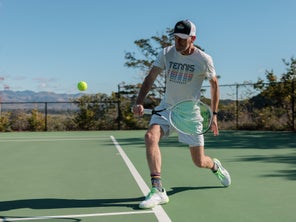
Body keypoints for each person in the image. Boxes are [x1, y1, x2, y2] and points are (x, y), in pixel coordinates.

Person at [132, 19, 231, 209]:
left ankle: (215, 166)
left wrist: (215, 115)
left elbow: (214, 85)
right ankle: (158, 189)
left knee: (199, 161)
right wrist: (139, 102)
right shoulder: (166, 53)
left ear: (192, 38)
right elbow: (150, 78)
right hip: (166, 108)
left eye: (182, 39)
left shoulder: (203, 60)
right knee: (150, 136)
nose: (177, 42)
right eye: (175, 38)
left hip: (189, 114)